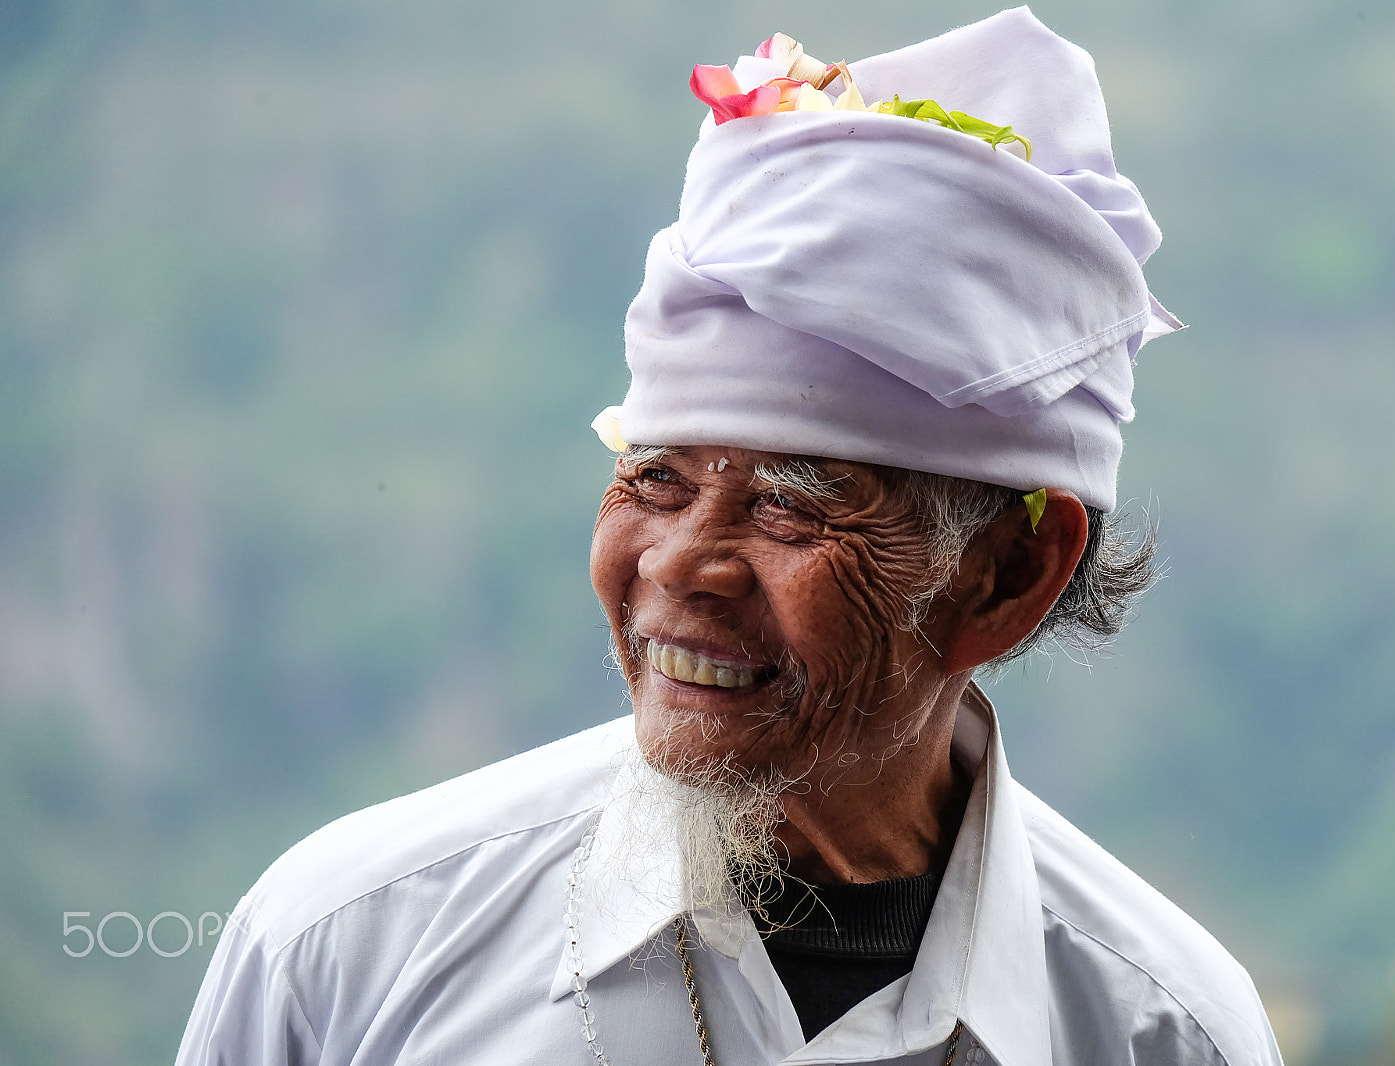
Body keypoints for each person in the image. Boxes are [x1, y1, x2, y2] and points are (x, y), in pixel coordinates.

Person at [177, 9, 1283, 1065]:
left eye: (788, 505)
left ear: (1003, 578)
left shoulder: (1160, 1031)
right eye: (654, 478)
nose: (677, 566)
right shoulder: (344, 949)